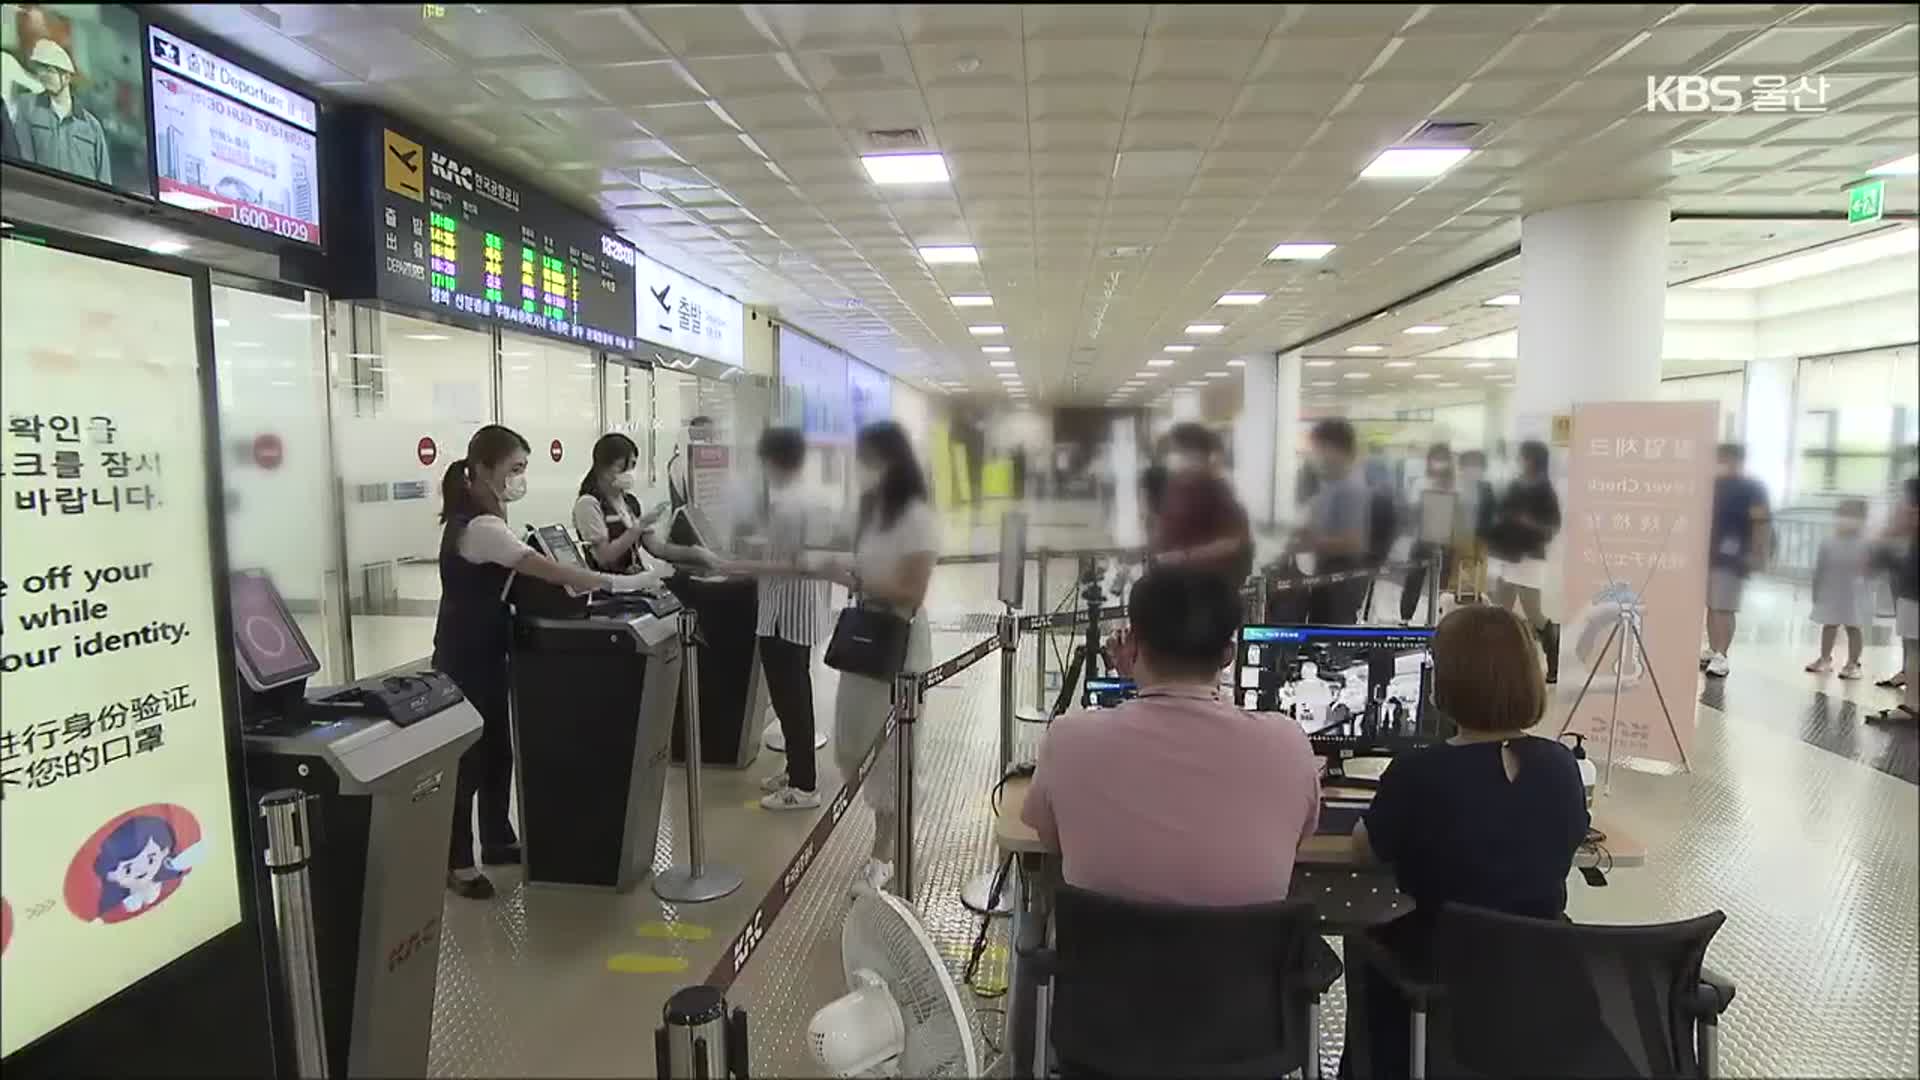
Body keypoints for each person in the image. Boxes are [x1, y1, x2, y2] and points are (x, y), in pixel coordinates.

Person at [1344, 604, 1590, 1076]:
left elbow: (1366, 849)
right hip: (1535, 980)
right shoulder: (1562, 768)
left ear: (1444, 683)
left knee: (1366, 938)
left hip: (1435, 975)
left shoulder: (1419, 771)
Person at [436, 424, 660, 899]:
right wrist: (615, 584)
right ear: (481, 470)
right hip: (465, 652)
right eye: (514, 469)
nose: (520, 479)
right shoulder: (479, 527)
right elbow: (542, 568)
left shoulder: (488, 518)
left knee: (498, 749)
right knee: (471, 759)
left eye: (523, 469)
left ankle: (496, 838)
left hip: (490, 644)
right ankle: (457, 861)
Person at [1022, 567, 1321, 905]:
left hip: (1108, 956)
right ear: (1228, 655)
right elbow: (1299, 839)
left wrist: (1130, 685)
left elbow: (1052, 841)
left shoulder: (1067, 741)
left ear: (1132, 643)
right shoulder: (1289, 745)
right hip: (1239, 958)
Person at [779, 421, 937, 891]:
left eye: (870, 459)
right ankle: (888, 828)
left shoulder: (917, 517)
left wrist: (860, 578)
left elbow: (912, 592)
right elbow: (866, 571)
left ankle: (883, 855)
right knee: (851, 746)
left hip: (899, 646)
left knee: (890, 758)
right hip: (863, 637)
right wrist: (842, 571)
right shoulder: (874, 512)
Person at [731, 428, 831, 810]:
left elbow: (793, 563)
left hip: (784, 614)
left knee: (792, 699)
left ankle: (804, 786)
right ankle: (795, 769)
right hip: (795, 612)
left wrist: (738, 564)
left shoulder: (792, 503)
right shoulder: (801, 497)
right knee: (793, 696)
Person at [572, 432, 718, 578]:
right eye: (622, 467)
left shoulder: (629, 502)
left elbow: (657, 548)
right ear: (602, 468)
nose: (628, 473)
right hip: (609, 588)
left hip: (636, 581)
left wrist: (696, 553)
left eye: (632, 466)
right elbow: (604, 557)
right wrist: (639, 526)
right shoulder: (588, 504)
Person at [1485, 440, 1562, 682]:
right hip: (1510, 555)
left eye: (1525, 457)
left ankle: (1553, 660)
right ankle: (1498, 663)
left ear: (1535, 460)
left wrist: (1527, 522)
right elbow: (1502, 513)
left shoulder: (1545, 490)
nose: (1521, 461)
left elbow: (1552, 525)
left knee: (1534, 614)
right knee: (1501, 612)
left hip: (1530, 559)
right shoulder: (1515, 485)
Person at [1149, 422, 1253, 586]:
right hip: (1174, 581)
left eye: (1179, 450)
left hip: (1206, 586)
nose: (1174, 457)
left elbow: (1232, 542)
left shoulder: (1217, 489)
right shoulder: (1176, 485)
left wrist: (1183, 556)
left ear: (1200, 454)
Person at [1702, 443, 1771, 679]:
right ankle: (1712, 649)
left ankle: (1722, 655)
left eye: (1726, 459)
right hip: (1706, 553)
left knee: (1724, 606)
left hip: (1733, 554)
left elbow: (1760, 521)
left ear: (1738, 460)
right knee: (1711, 605)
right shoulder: (1712, 485)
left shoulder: (1752, 487)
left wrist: (1757, 552)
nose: (1722, 463)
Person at [1296, 418, 1372, 624]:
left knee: (1334, 636)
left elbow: (1353, 543)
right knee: (1319, 632)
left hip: (1343, 576)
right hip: (1325, 570)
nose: (1316, 455)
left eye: (1319, 448)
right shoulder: (1330, 484)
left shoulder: (1351, 488)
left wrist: (1306, 543)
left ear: (1334, 448)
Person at [14, 39, 111, 185]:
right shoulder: (28, 108)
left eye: (49, 70)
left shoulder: (92, 127)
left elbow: (104, 181)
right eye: (40, 69)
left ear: (66, 77)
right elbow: (22, 163)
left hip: (82, 205)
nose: (42, 75)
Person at [1806, 499, 1873, 679]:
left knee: (1854, 626)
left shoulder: (1867, 543)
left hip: (1855, 593)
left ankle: (1852, 663)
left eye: (1852, 515)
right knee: (1829, 624)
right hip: (1832, 590)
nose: (1847, 520)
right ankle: (1824, 658)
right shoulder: (1829, 541)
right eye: (1844, 515)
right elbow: (1820, 568)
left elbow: (1872, 570)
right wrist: (1816, 590)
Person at [1870, 477, 1919, 724]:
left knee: (1914, 646)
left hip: (1914, 583)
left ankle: (1912, 706)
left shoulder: (1912, 493)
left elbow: (1897, 526)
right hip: (1909, 577)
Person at [1400, 443, 1454, 623]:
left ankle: (1439, 619)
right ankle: (1405, 618)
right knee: (1413, 579)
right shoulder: (1420, 482)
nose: (1439, 463)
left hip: (1447, 541)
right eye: (1435, 459)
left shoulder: (1455, 484)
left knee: (1443, 583)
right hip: (1421, 539)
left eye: (1443, 459)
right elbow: (1412, 511)